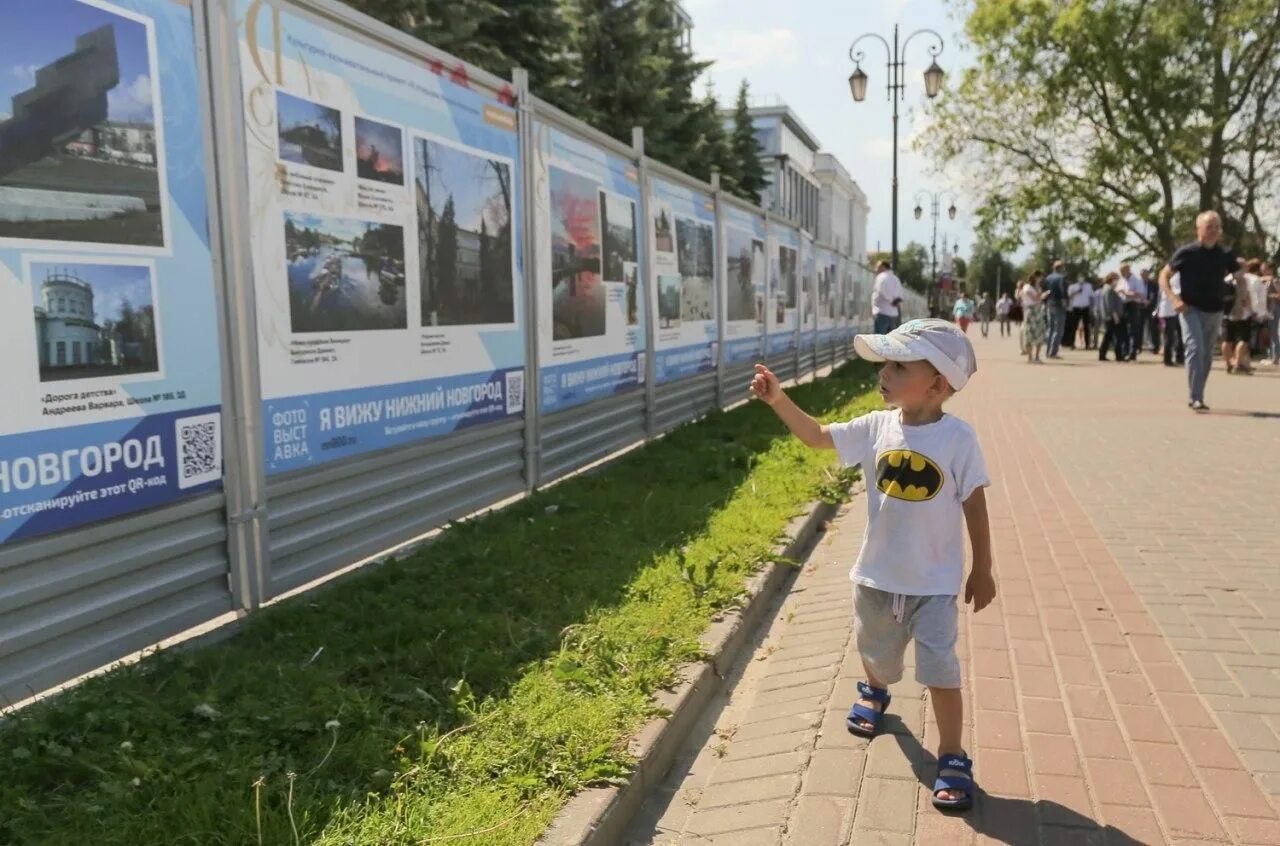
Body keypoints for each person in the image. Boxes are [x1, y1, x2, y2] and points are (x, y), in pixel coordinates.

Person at [749, 318, 993, 812]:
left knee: (941, 670)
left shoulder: (958, 441)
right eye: (885, 363)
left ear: (938, 384)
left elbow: (974, 503)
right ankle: (876, 689)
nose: (884, 373)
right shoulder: (875, 427)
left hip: (935, 586)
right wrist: (779, 400)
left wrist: (982, 567)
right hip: (877, 577)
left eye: (899, 366)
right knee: (877, 652)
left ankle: (952, 755)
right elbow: (818, 436)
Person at [1158, 210, 1242, 412]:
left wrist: (1240, 297)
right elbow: (1164, 275)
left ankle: (1198, 392)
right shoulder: (1187, 252)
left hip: (1215, 309)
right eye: (1209, 226)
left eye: (1216, 227)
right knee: (1195, 348)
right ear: (1199, 229)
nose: (1213, 230)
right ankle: (1196, 397)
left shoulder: (1224, 254)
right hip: (1190, 308)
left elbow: (1239, 274)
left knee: (1206, 355)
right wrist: (1174, 299)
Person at [1223, 262, 1258, 375]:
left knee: (1227, 340)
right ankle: (1238, 363)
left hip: (1227, 313)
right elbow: (1247, 297)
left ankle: (1228, 364)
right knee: (1244, 339)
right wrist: (1253, 310)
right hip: (1243, 313)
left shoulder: (1227, 279)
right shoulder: (1245, 280)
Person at [1118, 262, 1148, 360]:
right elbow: (1118, 292)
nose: (1121, 273)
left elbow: (1140, 295)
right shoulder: (1121, 280)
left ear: (1128, 270)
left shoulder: (1137, 281)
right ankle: (1124, 351)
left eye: (1122, 271)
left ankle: (1132, 352)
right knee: (1123, 329)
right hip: (1123, 306)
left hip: (1133, 306)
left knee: (1132, 330)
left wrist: (1127, 293)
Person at [1098, 272, 1129, 362]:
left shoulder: (1108, 289)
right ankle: (1118, 355)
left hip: (1109, 317)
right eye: (1116, 279)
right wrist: (1115, 316)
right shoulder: (1109, 290)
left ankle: (1102, 354)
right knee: (1117, 337)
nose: (1117, 281)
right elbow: (1110, 305)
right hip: (1111, 317)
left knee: (1108, 336)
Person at [1156, 272, 1185, 367]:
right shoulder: (1175, 279)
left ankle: (1176, 357)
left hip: (1167, 311)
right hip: (1170, 312)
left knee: (1172, 335)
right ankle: (1168, 359)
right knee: (1170, 336)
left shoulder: (1168, 280)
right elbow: (1178, 293)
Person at [1019, 273, 1047, 363]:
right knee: (1029, 334)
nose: (1040, 279)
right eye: (1039, 278)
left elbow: (1038, 298)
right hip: (1030, 311)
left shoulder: (1037, 287)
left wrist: (1040, 295)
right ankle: (1030, 357)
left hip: (1038, 310)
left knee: (1039, 333)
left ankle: (1037, 356)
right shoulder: (1027, 287)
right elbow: (1034, 298)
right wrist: (1041, 295)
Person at [1043, 260, 1068, 358]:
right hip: (1059, 304)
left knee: (1050, 327)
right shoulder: (1061, 278)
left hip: (1049, 303)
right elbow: (1063, 291)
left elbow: (1045, 290)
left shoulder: (1048, 277)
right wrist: (1065, 302)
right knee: (1058, 329)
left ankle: (1047, 350)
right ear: (1060, 268)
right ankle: (1053, 352)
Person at [872, 261, 905, 335]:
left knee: (880, 340)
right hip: (894, 314)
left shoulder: (881, 277)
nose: (876, 269)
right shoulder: (895, 278)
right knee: (891, 340)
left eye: (877, 267)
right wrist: (895, 302)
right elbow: (901, 295)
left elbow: (881, 291)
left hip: (882, 312)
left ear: (883, 267)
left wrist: (891, 301)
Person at [1066, 274, 1093, 349]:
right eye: (1080, 278)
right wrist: (1077, 291)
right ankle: (1072, 344)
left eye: (1082, 277)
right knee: (1074, 326)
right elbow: (1069, 295)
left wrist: (1091, 308)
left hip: (1085, 307)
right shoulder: (1072, 286)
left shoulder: (1089, 286)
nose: (1081, 279)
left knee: (1086, 327)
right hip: (1076, 308)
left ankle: (1087, 344)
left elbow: (1091, 297)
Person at [1263, 262, 1280, 366]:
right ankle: (1273, 355)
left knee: (1274, 333)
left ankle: (1276, 357)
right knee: (1272, 333)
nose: (1263, 271)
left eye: (1264, 269)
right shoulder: (1266, 280)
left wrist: (1268, 296)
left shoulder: (1274, 280)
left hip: (1275, 308)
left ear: (1270, 270)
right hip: (1270, 309)